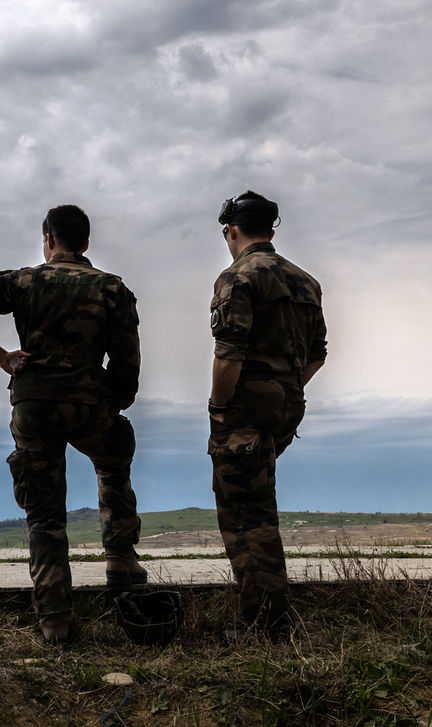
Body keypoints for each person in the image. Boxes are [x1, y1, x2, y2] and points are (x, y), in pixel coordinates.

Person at [0, 204, 144, 644]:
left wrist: (1, 355)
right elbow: (126, 360)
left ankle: (55, 619)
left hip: (34, 406)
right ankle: (120, 561)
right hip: (89, 403)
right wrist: (114, 401)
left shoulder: (21, 281)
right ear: (85, 243)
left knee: (44, 514)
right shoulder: (112, 289)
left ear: (48, 240)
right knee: (114, 456)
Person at [209, 190, 325, 640]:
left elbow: (228, 355)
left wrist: (219, 409)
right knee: (260, 507)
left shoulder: (238, 277)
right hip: (285, 409)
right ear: (271, 230)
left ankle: (266, 625)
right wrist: (285, 388)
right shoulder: (306, 282)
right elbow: (317, 355)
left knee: (245, 516)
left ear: (232, 231)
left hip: (244, 413)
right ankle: (269, 619)